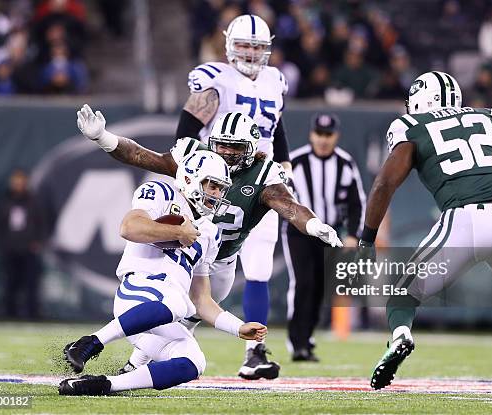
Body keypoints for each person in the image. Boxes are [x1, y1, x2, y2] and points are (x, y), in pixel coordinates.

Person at [75, 106, 342, 380]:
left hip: (220, 257)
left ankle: (133, 365)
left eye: (234, 147)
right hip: (183, 250)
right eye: (221, 145)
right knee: (176, 305)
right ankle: (115, 355)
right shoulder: (196, 160)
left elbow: (289, 206)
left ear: (250, 149)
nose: (225, 152)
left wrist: (313, 225)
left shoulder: (264, 175)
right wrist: (104, 138)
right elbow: (142, 156)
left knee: (190, 314)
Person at [357, 71, 492, 407]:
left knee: (403, 292)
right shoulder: (485, 117)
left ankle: (400, 336)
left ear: (418, 100)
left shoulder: (410, 126)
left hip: (465, 219)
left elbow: (385, 184)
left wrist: (366, 241)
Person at [59, 150, 267, 395]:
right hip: (137, 294)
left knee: (193, 361)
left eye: (221, 188)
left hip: (164, 312)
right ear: (189, 179)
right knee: (178, 302)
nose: (216, 194)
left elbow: (200, 300)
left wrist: (237, 327)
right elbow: (129, 227)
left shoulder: (211, 232)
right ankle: (91, 342)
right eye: (212, 185)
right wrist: (178, 233)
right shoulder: (162, 193)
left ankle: (104, 385)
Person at [180, 14, 293, 376]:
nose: (249, 52)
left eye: (257, 47)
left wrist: (286, 163)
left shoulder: (275, 80)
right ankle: (170, 332)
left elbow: (275, 126)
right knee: (206, 269)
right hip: (217, 185)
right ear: (229, 44)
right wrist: (189, 167)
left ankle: (254, 354)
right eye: (243, 44)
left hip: (260, 182)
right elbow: (187, 129)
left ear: (268, 48)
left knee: (259, 268)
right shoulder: (215, 79)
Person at [284, 113, 365, 361]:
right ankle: (297, 342)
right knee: (303, 283)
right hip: (299, 232)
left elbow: (357, 202)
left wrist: (353, 234)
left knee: (320, 288)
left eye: (328, 135)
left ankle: (307, 339)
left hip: (328, 234)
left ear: (336, 136)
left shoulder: (345, 163)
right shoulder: (295, 161)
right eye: (319, 133)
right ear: (311, 134)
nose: (323, 139)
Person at [0, 169, 44, 319]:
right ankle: (9, 313)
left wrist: (37, 241)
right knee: (10, 282)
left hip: (28, 248)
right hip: (10, 248)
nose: (18, 185)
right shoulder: (5, 201)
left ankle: (32, 313)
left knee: (30, 283)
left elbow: (41, 223)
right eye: (16, 182)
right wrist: (3, 243)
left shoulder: (33, 201)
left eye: (21, 182)